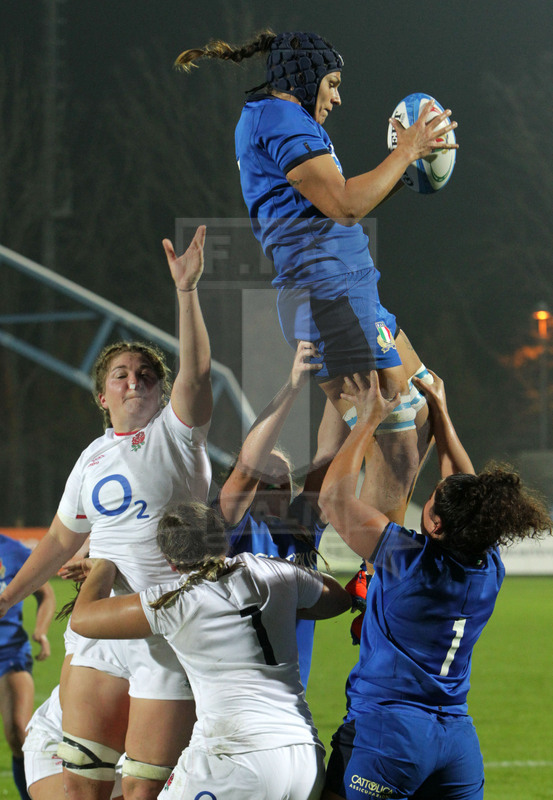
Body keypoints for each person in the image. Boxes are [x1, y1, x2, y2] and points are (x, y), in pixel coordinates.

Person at [175, 30, 458, 515]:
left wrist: (402, 171)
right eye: (332, 82)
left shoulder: (279, 119)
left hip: (351, 289)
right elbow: (346, 205)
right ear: (303, 78)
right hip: (327, 294)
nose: (338, 96)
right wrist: (406, 151)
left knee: (429, 405)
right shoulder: (282, 120)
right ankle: (381, 575)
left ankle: (312, 531)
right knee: (396, 439)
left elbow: (343, 202)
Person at [0, 225, 213, 800]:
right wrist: (5, 599)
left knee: (141, 795)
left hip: (164, 634)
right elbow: (57, 542)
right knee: (81, 790)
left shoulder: (177, 436)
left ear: (161, 393)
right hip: (95, 635)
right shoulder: (91, 458)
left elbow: (195, 375)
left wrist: (187, 292)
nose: (134, 380)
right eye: (121, 374)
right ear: (103, 396)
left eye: (146, 374)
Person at [318, 370, 552, 800]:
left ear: (435, 523)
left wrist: (368, 419)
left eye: (430, 498)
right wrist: (441, 414)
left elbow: (334, 500)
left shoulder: (407, 559)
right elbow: (473, 495)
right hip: (456, 743)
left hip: (391, 734)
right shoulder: (489, 569)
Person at [69, 501, 353, 800]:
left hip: (237, 758)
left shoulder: (177, 602)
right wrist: (280, 606)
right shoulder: (272, 570)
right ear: (223, 540)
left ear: (170, 562)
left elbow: (83, 619)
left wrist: (101, 565)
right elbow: (337, 599)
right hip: (304, 758)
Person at [216, 339, 350, 688]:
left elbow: (330, 454)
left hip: (290, 707)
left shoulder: (301, 528)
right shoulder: (230, 529)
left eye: (285, 481)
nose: (278, 488)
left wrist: (340, 370)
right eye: (266, 481)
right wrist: (293, 387)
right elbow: (246, 467)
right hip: (233, 697)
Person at [0, 533, 56, 800]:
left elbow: (46, 594)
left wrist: (41, 631)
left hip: (8, 651)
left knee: (17, 733)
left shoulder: (14, 551)